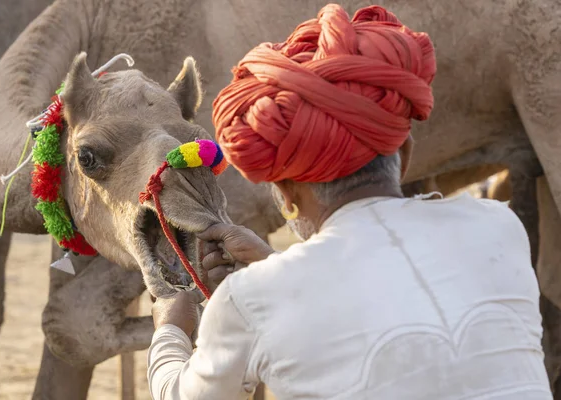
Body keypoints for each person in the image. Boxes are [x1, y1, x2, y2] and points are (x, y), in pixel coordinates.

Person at [147, 4, 552, 399]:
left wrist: (171, 329)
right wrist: (274, 267)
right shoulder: (496, 225)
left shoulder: (251, 298)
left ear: (285, 194)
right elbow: (387, 303)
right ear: (405, 155)